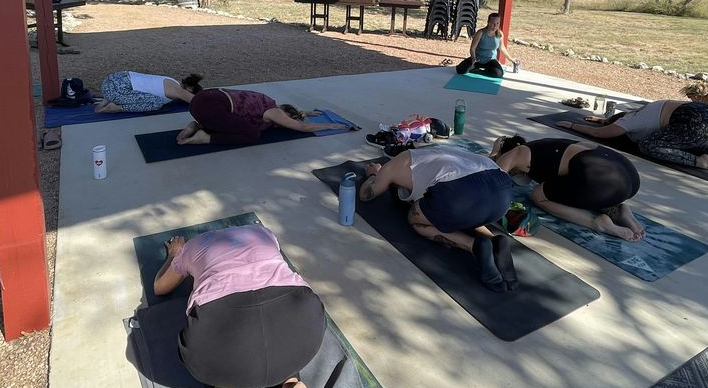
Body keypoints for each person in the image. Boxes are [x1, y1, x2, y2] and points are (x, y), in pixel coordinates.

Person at [153, 224, 325, 388]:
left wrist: (174, 255)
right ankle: (291, 384)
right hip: (303, 333)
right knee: (277, 323)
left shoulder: (192, 247)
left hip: (225, 354)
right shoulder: (265, 234)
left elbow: (160, 288)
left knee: (213, 342)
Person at [357, 146, 517, 291]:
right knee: (466, 209)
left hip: (460, 195)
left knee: (416, 218)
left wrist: (375, 174)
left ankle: (473, 245)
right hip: (501, 191)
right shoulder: (442, 150)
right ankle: (493, 239)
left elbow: (365, 195)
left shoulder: (393, 166)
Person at [491, 135, 644, 241]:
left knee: (539, 194)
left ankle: (597, 223)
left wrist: (495, 153)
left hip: (604, 185)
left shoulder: (514, 153)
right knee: (568, 183)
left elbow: (490, 178)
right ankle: (616, 210)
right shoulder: (540, 146)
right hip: (628, 177)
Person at [558, 99, 708, 173]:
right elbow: (607, 123)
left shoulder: (630, 121)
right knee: (682, 139)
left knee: (648, 145)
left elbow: (599, 133)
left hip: (697, 122)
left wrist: (572, 125)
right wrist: (602, 120)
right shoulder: (646, 110)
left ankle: (701, 162)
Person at [176, 86, 355, 145]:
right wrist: (332, 126)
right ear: (285, 115)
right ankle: (204, 136)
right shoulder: (274, 112)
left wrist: (306, 112)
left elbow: (296, 117)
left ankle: (196, 124)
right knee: (252, 133)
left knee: (232, 122)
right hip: (209, 107)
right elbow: (302, 127)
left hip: (202, 100)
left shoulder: (268, 103)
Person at [95, 72, 202, 114]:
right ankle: (115, 107)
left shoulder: (172, 80)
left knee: (146, 90)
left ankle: (107, 100)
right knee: (156, 103)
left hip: (115, 78)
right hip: (115, 89)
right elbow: (198, 101)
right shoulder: (179, 91)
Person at [455, 12, 517, 79]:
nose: (495, 26)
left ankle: (480, 71)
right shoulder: (480, 32)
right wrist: (473, 59)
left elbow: (502, 48)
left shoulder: (500, 34)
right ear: (488, 22)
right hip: (477, 59)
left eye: (497, 23)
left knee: (498, 74)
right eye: (492, 23)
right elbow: (472, 48)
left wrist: (511, 59)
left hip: (490, 60)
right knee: (460, 70)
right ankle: (475, 68)